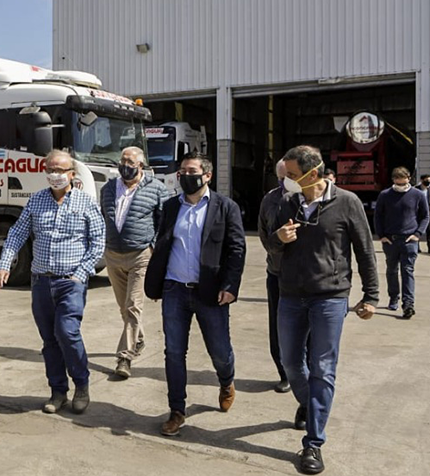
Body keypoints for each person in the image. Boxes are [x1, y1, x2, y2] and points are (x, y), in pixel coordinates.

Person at [267, 145, 378, 474]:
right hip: (290, 294)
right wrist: (278, 238)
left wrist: (370, 296)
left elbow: (365, 250)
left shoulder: (347, 203)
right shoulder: (287, 202)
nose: (285, 181)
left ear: (311, 174)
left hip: (329, 297)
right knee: (290, 361)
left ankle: (313, 443)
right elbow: (269, 242)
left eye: (290, 175)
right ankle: (310, 403)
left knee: (322, 367)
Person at [0, 150, 105, 415]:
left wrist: (81, 274)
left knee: (67, 332)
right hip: (42, 282)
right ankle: (57, 391)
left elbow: (98, 242)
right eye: (51, 170)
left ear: (72, 174)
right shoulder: (36, 201)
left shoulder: (86, 203)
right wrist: (4, 263)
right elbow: (17, 233)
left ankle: (82, 384)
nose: (56, 175)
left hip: (70, 282)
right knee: (49, 340)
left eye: (61, 170)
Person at [144, 151, 246, 437]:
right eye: (181, 171)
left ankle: (226, 381)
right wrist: (155, 283)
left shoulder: (225, 207)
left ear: (207, 175)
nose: (184, 176)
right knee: (174, 352)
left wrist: (230, 286)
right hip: (175, 289)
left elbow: (236, 249)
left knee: (219, 351)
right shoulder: (170, 207)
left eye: (191, 171)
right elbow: (162, 244)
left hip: (211, 292)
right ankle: (177, 410)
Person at [100, 146, 168, 379]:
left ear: (140, 165)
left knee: (132, 304)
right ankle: (138, 340)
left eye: (130, 162)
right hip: (113, 254)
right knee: (123, 306)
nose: (124, 165)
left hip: (140, 255)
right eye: (122, 161)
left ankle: (124, 357)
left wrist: (153, 248)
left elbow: (164, 222)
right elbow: (104, 216)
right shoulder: (109, 189)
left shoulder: (157, 189)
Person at [375, 167, 429, 319]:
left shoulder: (417, 195)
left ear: (409, 178)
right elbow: (378, 216)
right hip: (390, 240)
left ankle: (408, 304)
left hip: (409, 240)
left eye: (403, 182)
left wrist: (417, 234)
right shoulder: (385, 195)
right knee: (391, 270)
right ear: (393, 180)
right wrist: (382, 236)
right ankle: (393, 297)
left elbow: (425, 216)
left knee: (407, 271)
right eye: (397, 183)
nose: (400, 186)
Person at [258, 159, 291, 393]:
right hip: (277, 273)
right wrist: (275, 246)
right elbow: (262, 233)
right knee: (277, 326)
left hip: (306, 278)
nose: (283, 182)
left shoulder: (310, 200)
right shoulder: (270, 199)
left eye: (288, 177)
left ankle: (305, 371)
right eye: (280, 178)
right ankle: (284, 372)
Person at [415, 174, 430, 254]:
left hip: (429, 213)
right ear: (421, 180)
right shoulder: (416, 190)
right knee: (417, 230)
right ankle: (417, 247)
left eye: (429, 180)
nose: (428, 182)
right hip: (418, 214)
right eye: (426, 180)